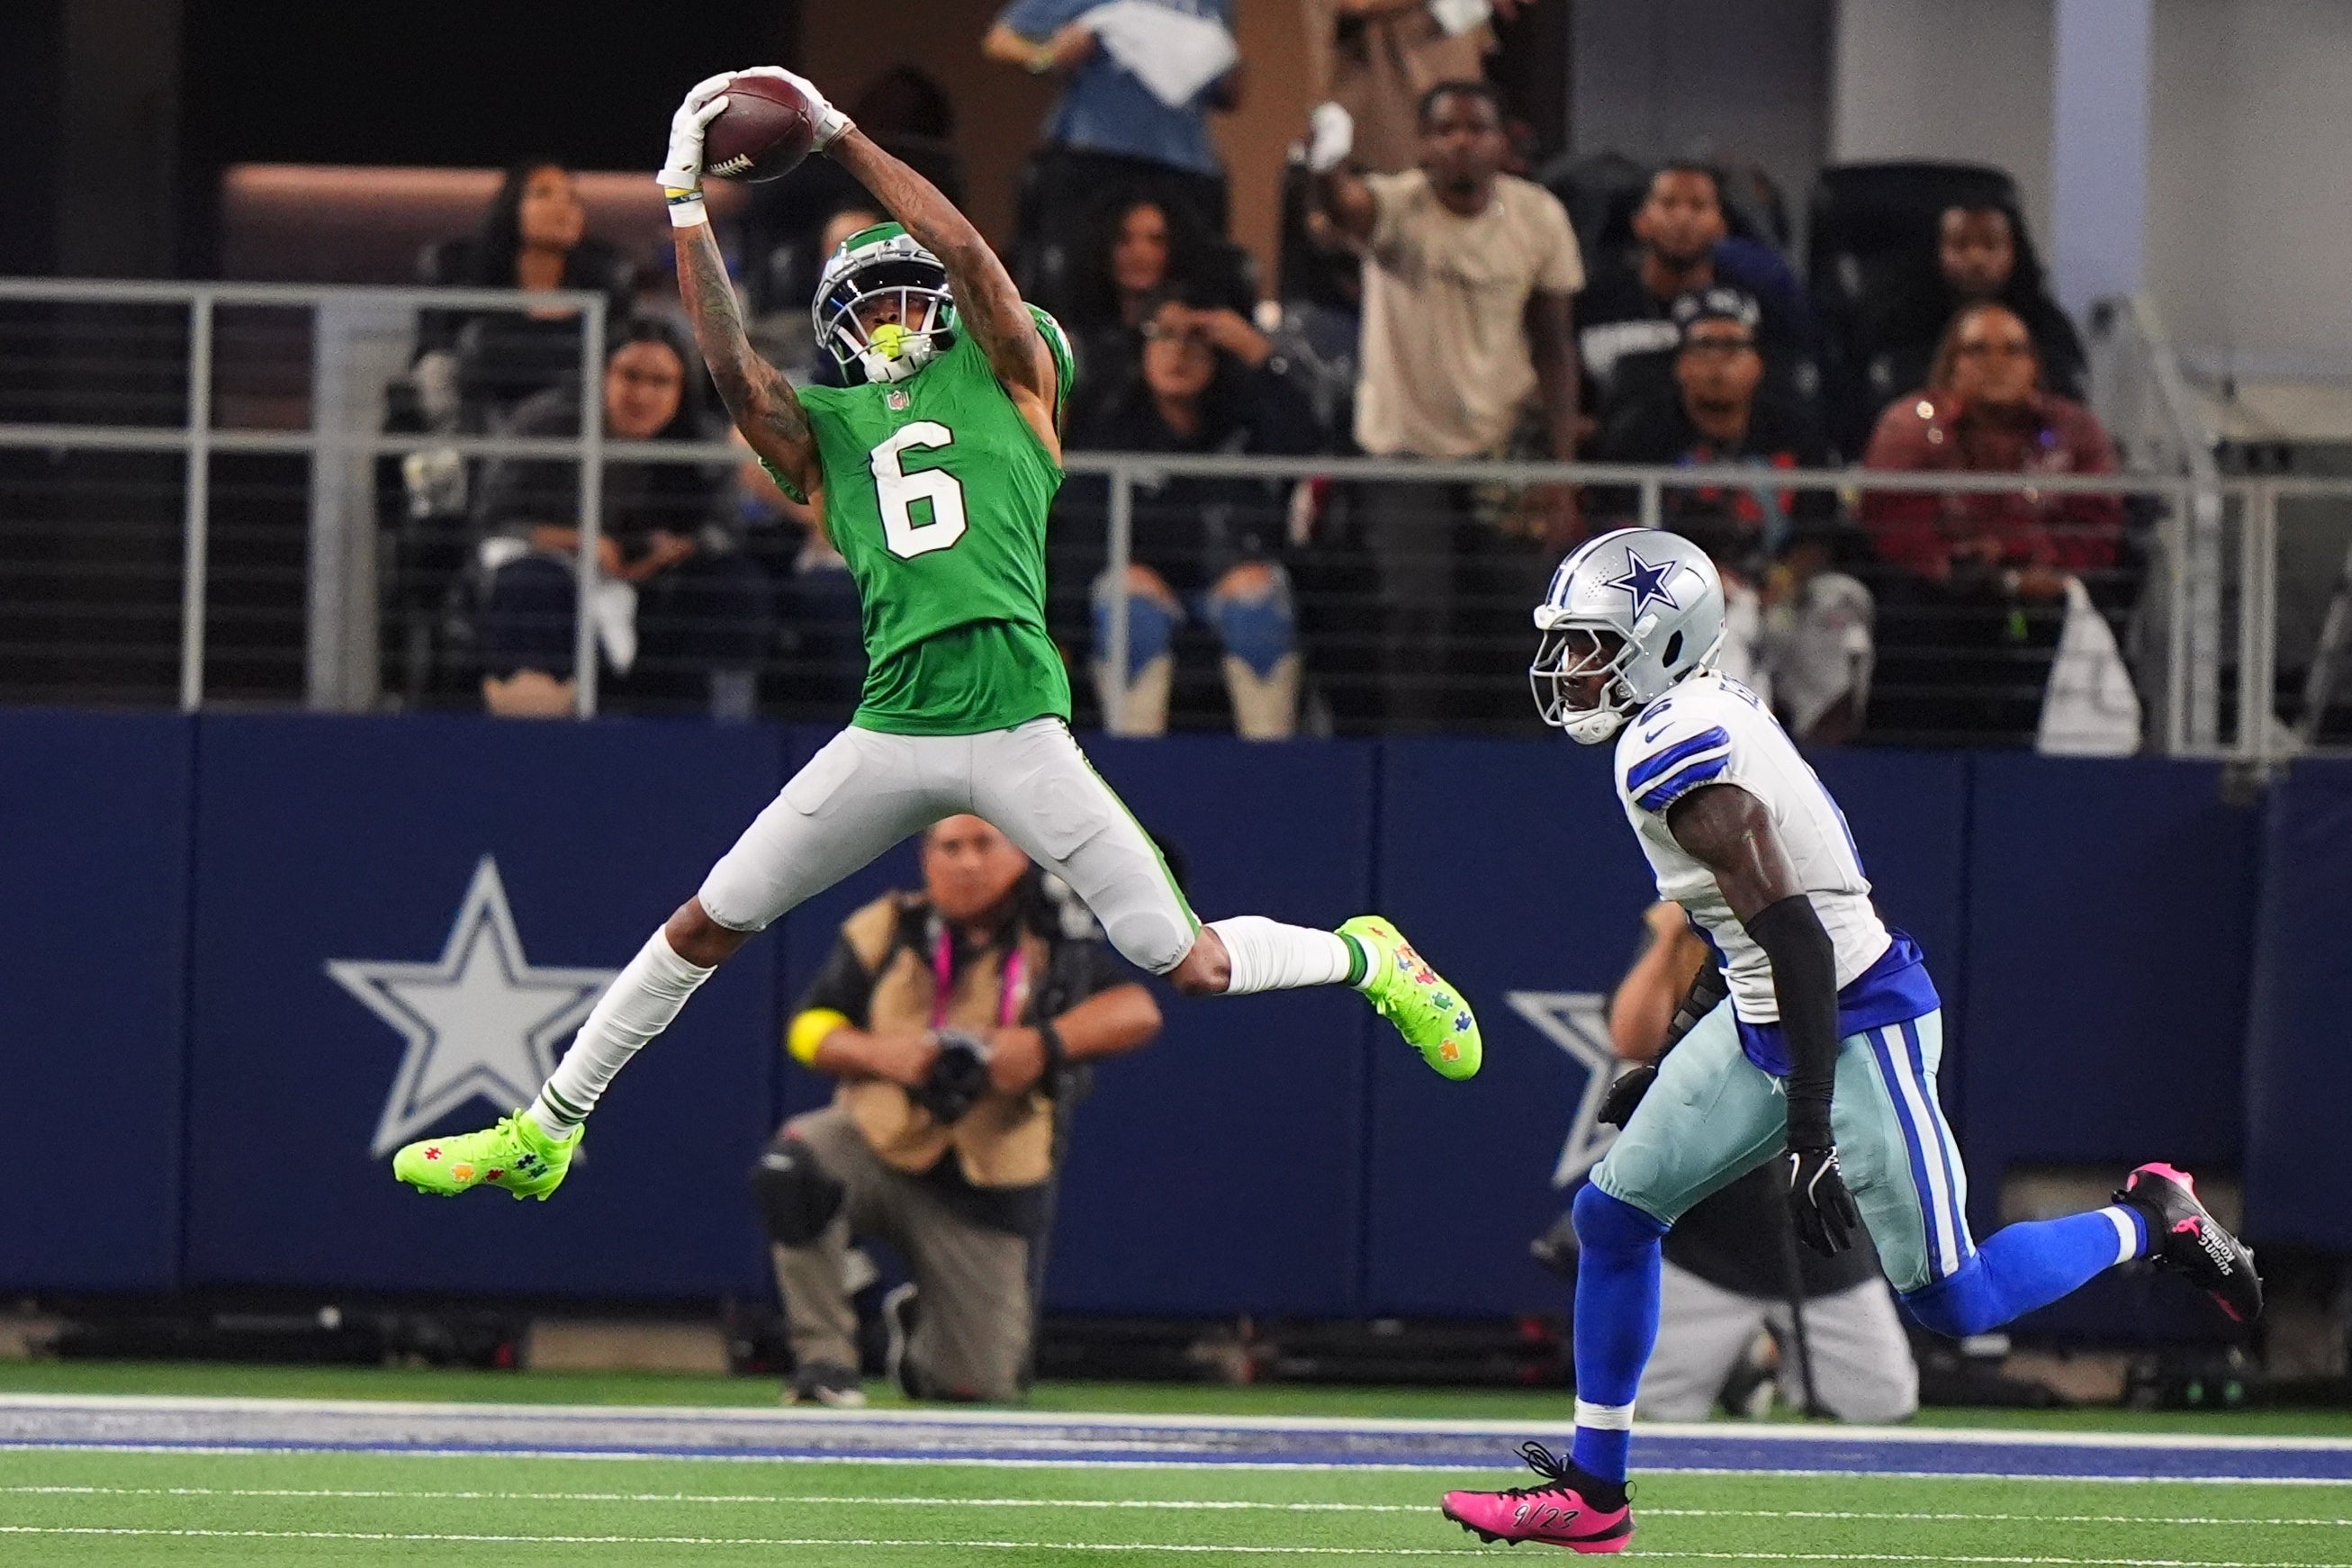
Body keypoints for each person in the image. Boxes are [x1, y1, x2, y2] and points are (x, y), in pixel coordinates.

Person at [392, 68, 1481, 1206]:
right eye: (862, 308)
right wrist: (683, 203)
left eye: (905, 295)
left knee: (1190, 961)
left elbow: (965, 251)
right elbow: (730, 367)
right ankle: (547, 1124)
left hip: (1015, 722)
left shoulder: (1012, 373)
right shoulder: (830, 427)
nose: (889, 317)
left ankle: (1367, 954)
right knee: (705, 920)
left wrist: (841, 137)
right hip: (894, 725)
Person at [1438, 527, 2261, 1552]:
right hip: (1763, 1006)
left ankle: (2150, 1217)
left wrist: (1811, 1129)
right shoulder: (1687, 714)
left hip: (1857, 1016)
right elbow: (1736, 924)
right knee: (1614, 1218)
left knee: (1956, 1299)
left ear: (1661, 642)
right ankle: (1595, 1494)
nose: (1570, 668)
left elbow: (1797, 937)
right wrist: (1678, 1045)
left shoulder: (1670, 748)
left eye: (1592, 644)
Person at [753, 814, 1160, 1406]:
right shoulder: (889, 926)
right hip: (880, 1141)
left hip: (986, 1175)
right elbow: (807, 1026)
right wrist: (880, 1054)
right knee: (791, 1167)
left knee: (978, 1386)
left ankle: (921, 1328)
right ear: (926, 859)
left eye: (983, 845)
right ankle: (824, 1361)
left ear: (1019, 856)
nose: (967, 862)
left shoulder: (1053, 940)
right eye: (950, 847)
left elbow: (1136, 1011)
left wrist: (1042, 1045)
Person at [1306, 79, 1582, 729]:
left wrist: (1563, 472)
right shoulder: (1394, 204)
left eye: (1475, 128)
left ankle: (1510, 768)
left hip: (1502, 446)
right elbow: (1343, 207)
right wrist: (1326, 164)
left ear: (1500, 143)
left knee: (1524, 618)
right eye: (1445, 130)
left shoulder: (1539, 216)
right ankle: (1409, 764)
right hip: (1402, 452)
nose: (1461, 142)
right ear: (1424, 145)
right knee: (1416, 613)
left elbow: (1554, 349)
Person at [1600, 900, 1917, 1423]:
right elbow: (1633, 1039)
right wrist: (1669, 936)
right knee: (1649, 1413)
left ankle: (1762, 1359)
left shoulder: (1834, 925)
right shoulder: (1697, 933)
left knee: (1883, 1406)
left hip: (1816, 1238)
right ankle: (1739, 1364)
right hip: (1702, 1244)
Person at [472, 318, 770, 718]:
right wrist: (579, 542)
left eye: (661, 382)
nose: (643, 395)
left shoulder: (699, 441)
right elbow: (494, 517)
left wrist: (679, 549)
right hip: (556, 569)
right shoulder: (545, 423)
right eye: (630, 376)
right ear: (601, 374)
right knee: (531, 585)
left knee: (733, 585)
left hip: (656, 585)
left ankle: (712, 737)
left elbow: (723, 529)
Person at [1859, 302, 2123, 743]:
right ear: (1951, 365)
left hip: (2045, 591)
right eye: (1978, 350)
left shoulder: (2075, 430)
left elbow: (2097, 525)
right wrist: (1969, 569)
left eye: (2013, 351)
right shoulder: (1909, 425)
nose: (1997, 365)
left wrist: (2032, 565)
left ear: (2035, 366)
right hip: (1940, 597)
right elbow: (1895, 526)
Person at [1068, 291, 1323, 738]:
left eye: (1196, 338)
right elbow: (1081, 530)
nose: (1179, 352)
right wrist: (1122, 570)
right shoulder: (1112, 426)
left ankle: (1270, 771)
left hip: (1231, 589)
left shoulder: (1246, 423)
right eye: (1164, 336)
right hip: (1147, 593)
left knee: (1259, 603)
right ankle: (1134, 773)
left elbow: (1308, 439)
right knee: (1129, 608)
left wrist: (1257, 352)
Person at [986, 0, 1239, 245]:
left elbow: (1226, 92)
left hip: (1184, 165)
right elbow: (1001, 40)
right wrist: (1050, 55)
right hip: (1094, 157)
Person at [1575, 164, 1804, 429]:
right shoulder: (1592, 299)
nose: (1683, 218)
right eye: (1668, 204)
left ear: (1721, 226)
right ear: (1640, 222)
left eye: (1698, 206)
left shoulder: (1756, 304)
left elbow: (1784, 399)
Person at [412, 161, 634, 429]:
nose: (562, 206)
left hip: (574, 427)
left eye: (572, 198)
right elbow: (434, 361)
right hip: (476, 426)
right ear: (511, 206)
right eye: (542, 194)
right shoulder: (464, 278)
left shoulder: (603, 282)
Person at [1861, 201, 2088, 434]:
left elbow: (2066, 406)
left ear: (2012, 251)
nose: (1977, 259)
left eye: (1991, 245)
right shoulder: (1898, 322)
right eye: (1960, 245)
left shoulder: (2047, 324)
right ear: (1938, 249)